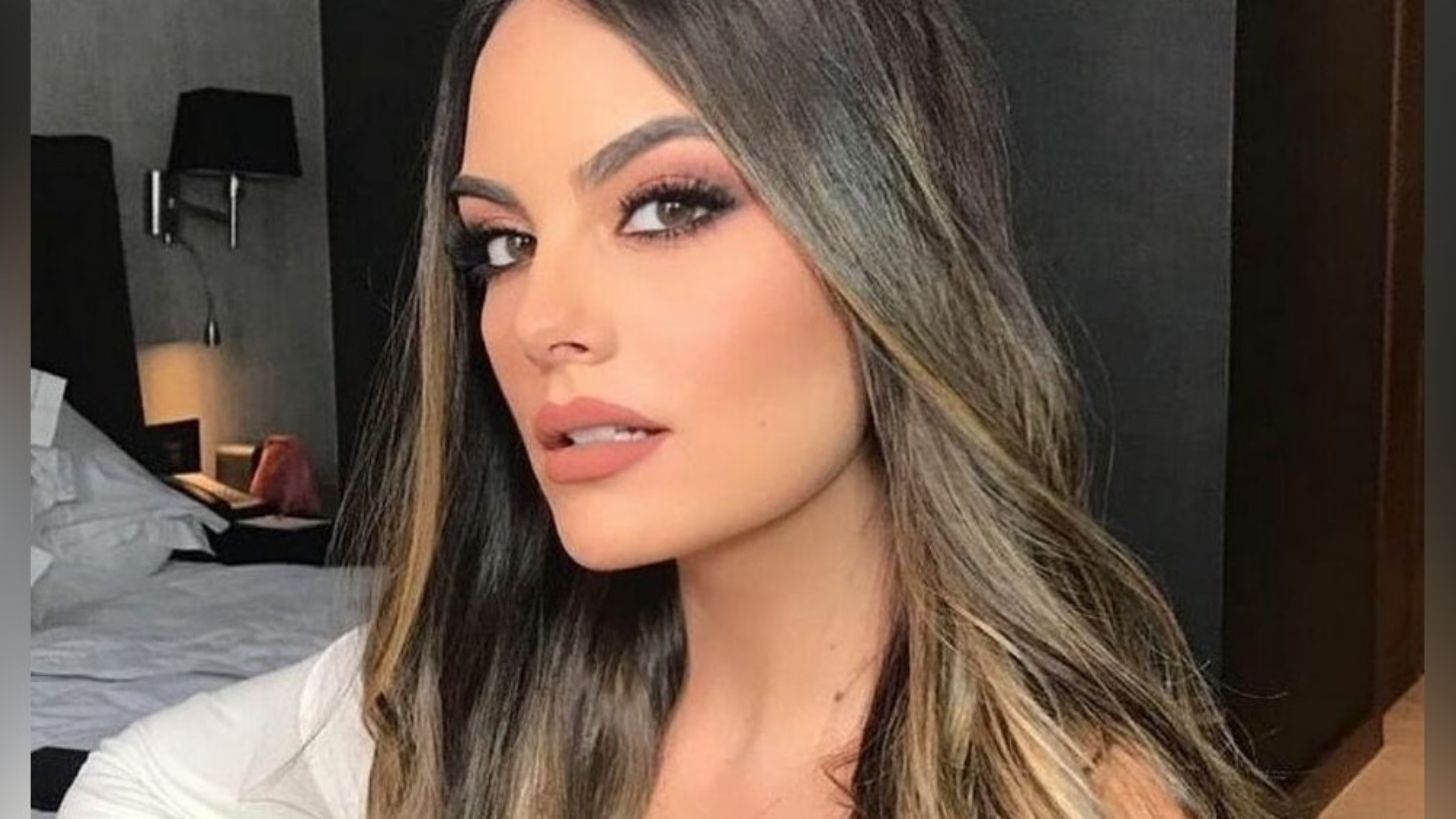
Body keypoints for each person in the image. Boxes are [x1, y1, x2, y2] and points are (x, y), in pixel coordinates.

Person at [62, 0, 1287, 816]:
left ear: (887, 241)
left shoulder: (1073, 797)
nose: (541, 319)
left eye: (666, 207)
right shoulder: (447, 700)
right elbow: (142, 778)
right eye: (501, 244)